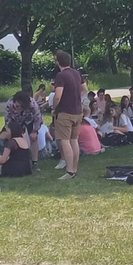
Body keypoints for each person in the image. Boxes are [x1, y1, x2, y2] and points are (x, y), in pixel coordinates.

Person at [52, 50, 83, 180]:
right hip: (78, 112)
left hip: (65, 112)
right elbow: (84, 89)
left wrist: (54, 107)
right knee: (74, 140)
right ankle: (74, 169)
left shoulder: (61, 76)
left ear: (58, 61)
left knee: (65, 142)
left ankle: (69, 171)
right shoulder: (77, 73)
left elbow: (58, 95)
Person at [5, 90, 42, 168]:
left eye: (21, 107)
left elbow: (38, 118)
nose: (19, 108)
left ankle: (34, 162)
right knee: (13, 138)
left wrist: (35, 131)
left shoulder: (33, 105)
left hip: (29, 120)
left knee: (34, 138)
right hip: (15, 120)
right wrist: (9, 130)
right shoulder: (9, 104)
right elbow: (7, 119)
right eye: (17, 106)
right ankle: (13, 158)